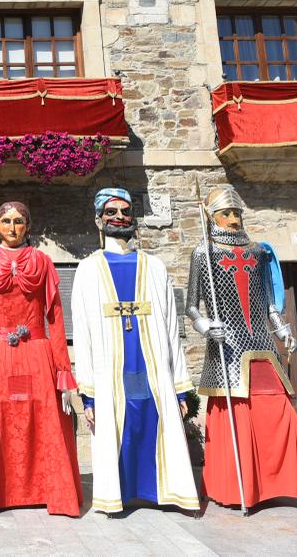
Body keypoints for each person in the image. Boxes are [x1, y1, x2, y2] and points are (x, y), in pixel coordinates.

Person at [185, 186, 297, 511]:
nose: (233, 219)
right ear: (213, 217)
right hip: (228, 349)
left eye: (237, 213)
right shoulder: (203, 253)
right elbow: (192, 306)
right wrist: (206, 326)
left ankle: (281, 482)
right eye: (226, 213)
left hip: (263, 346)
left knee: (277, 412)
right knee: (237, 419)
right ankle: (238, 488)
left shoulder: (259, 252)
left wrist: (282, 330)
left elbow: (268, 302)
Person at [72, 187, 200, 515]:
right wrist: (88, 395)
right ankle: (119, 494)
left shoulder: (154, 267)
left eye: (125, 211)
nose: (119, 217)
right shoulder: (88, 269)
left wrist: (182, 387)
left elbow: (172, 327)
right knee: (119, 423)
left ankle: (166, 491)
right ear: (99, 220)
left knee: (156, 420)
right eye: (111, 212)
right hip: (110, 366)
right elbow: (83, 332)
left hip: (152, 363)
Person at [0, 201, 82, 517]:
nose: (13, 227)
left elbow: (56, 316)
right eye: (6, 221)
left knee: (43, 420)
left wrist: (63, 368)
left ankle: (51, 492)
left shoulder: (42, 262)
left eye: (19, 221)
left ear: (28, 226)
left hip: (37, 353)